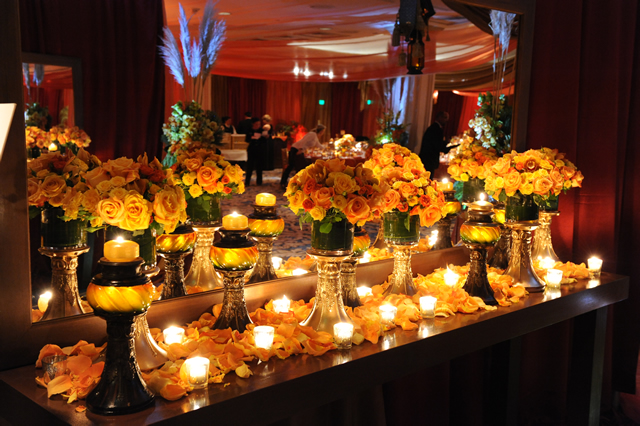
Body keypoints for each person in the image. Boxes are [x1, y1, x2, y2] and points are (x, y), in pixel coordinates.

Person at [280, 124, 325, 189]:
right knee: (293, 166)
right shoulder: (312, 134)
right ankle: (284, 183)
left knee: (300, 166)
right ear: (321, 131)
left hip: (299, 149)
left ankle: (298, 183)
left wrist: (326, 148)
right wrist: (300, 149)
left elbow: (318, 145)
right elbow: (304, 141)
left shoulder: (314, 135)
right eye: (323, 131)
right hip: (296, 149)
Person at [419, 111, 453, 178]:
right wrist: (447, 148)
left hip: (427, 159)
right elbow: (437, 146)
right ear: (439, 117)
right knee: (427, 178)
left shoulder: (433, 127)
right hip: (429, 159)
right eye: (445, 117)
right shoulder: (436, 129)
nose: (446, 120)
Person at [245, 118, 266, 186]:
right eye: (256, 124)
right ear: (253, 124)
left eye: (259, 124)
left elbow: (264, 141)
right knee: (250, 166)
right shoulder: (249, 130)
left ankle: (259, 182)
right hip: (252, 149)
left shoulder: (261, 130)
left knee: (259, 166)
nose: (258, 125)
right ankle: (247, 182)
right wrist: (252, 137)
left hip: (260, 149)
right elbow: (247, 140)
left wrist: (265, 137)